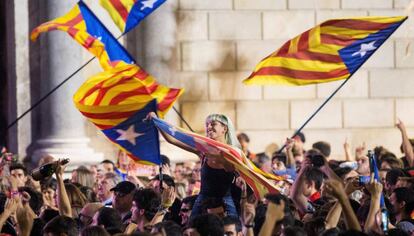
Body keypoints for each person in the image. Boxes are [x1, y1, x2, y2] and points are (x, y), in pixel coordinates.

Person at [156, 113, 240, 219]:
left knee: (233, 228)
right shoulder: (202, 151)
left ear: (224, 128)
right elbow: (171, 139)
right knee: (191, 227)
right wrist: (156, 121)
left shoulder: (234, 154)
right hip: (203, 200)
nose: (209, 127)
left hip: (225, 201)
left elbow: (241, 173)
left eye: (213, 124)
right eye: (207, 124)